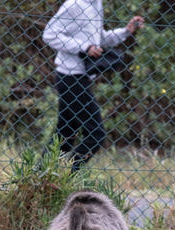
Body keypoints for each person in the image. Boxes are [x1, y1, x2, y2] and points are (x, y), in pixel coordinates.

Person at [43, 0, 144, 172]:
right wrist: (84, 47)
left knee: (65, 134)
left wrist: (126, 32)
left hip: (81, 78)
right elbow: (49, 35)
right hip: (70, 77)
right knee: (95, 135)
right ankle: (68, 177)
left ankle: (41, 177)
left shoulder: (96, 4)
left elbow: (98, 39)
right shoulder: (73, 4)